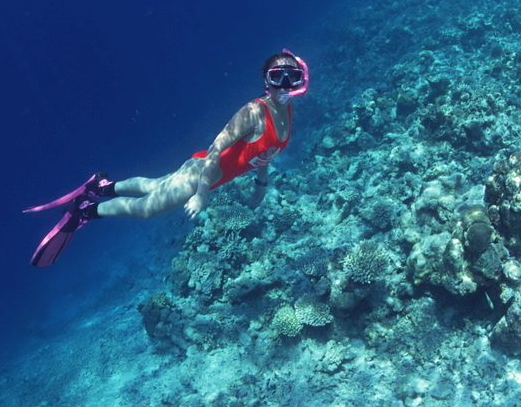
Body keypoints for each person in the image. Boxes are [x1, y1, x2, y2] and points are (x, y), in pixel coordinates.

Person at [25, 49, 309, 266]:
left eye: (291, 77)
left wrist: (262, 183)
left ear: (300, 80)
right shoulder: (253, 112)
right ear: (265, 81)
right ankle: (85, 210)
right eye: (277, 77)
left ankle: (102, 187)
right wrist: (200, 194)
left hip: (203, 172)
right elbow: (215, 149)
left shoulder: (289, 112)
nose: (284, 85)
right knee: (147, 209)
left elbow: (265, 152)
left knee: (153, 186)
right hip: (202, 175)